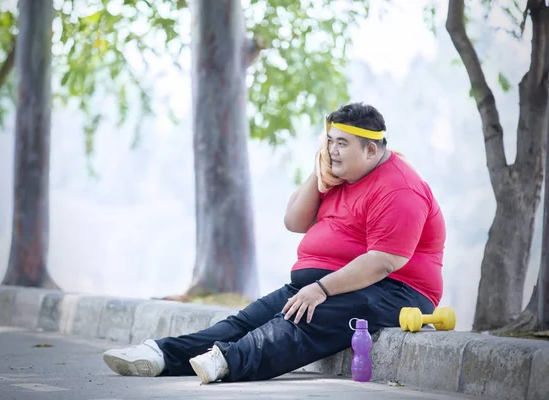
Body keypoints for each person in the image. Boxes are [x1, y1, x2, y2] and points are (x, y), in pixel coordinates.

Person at [102, 102, 446, 384]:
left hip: (394, 290)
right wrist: (319, 172)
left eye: (341, 143)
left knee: (299, 321)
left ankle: (226, 363)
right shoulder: (342, 175)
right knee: (244, 321)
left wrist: (322, 289)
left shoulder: (399, 188)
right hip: (331, 283)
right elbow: (294, 221)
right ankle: (162, 354)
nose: (332, 150)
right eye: (329, 141)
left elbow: (383, 261)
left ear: (371, 150)